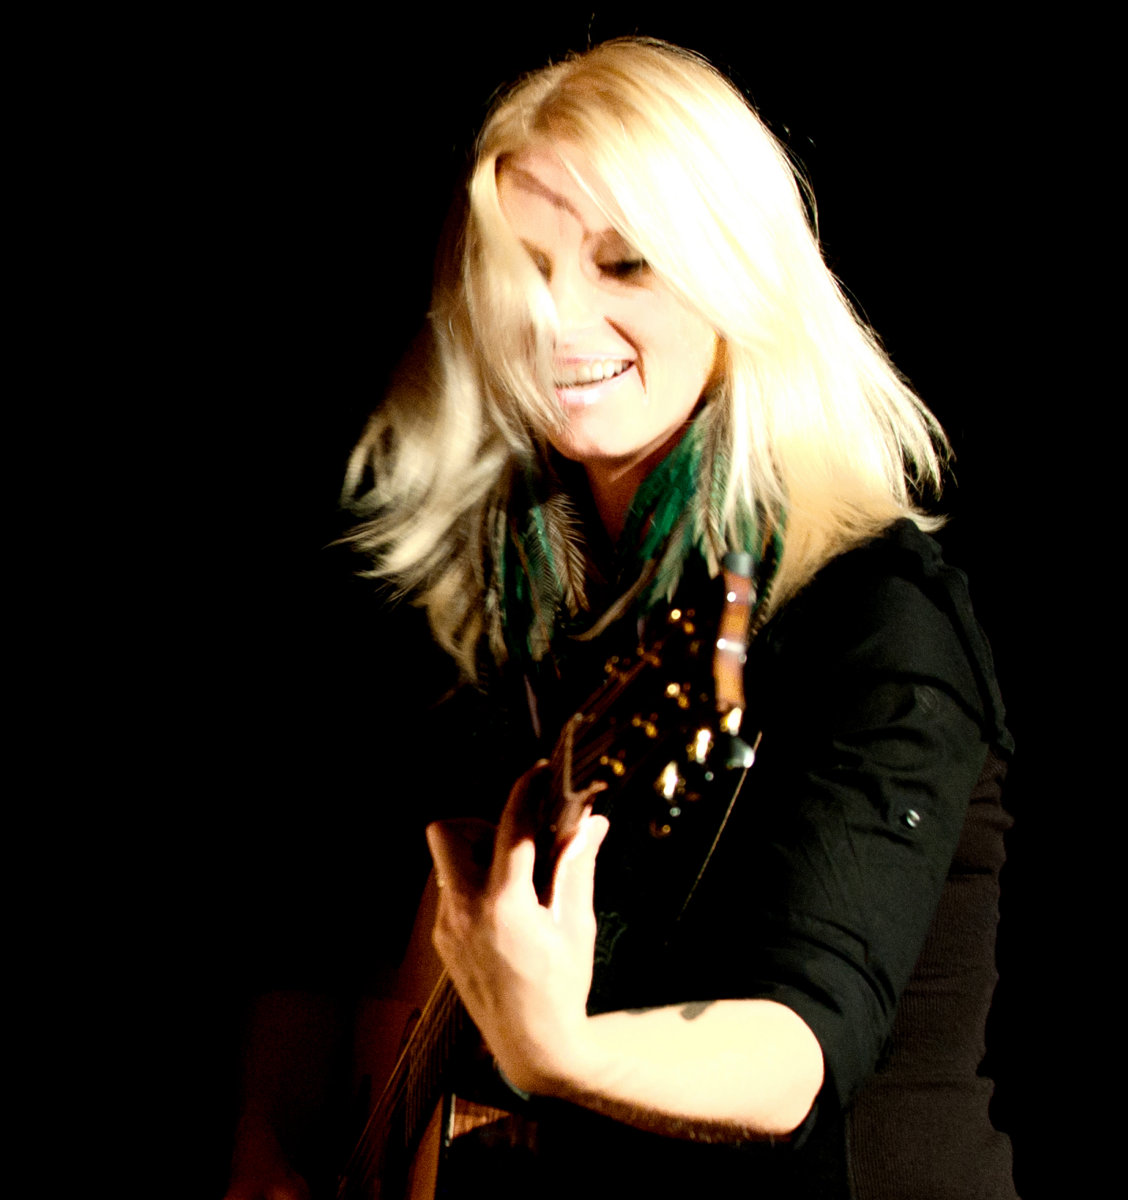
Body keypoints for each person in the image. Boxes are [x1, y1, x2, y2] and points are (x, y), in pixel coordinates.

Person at [226, 37, 1015, 1200]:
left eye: (626, 265)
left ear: (736, 281)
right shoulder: (504, 605)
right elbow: (332, 929)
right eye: (524, 272)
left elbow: (797, 1045)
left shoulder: (874, 616)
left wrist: (566, 1051)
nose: (559, 318)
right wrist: (274, 1138)